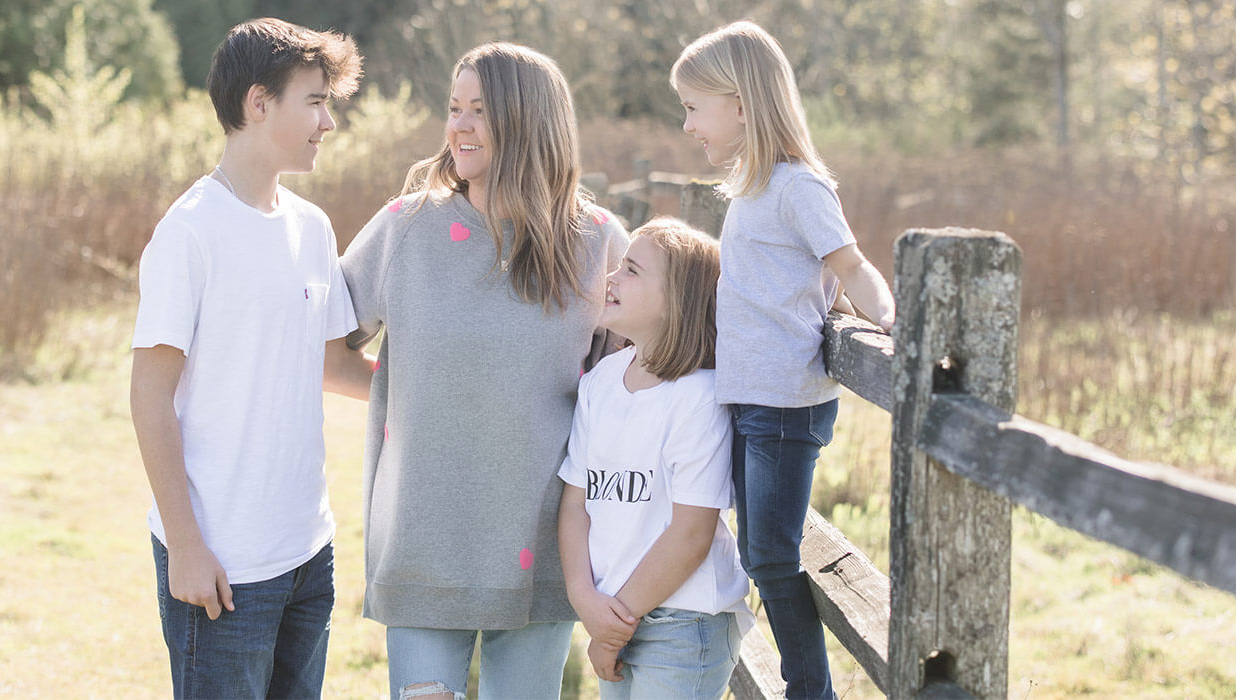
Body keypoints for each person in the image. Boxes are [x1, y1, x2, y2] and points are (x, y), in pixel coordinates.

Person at [339, 42, 630, 700]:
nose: (459, 126)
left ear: (528, 121)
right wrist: (419, 393)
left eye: (480, 110)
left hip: (543, 546)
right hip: (422, 540)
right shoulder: (406, 229)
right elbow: (326, 352)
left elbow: (634, 385)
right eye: (454, 108)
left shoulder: (598, 242)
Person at [129, 18, 373, 699]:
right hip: (221, 564)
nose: (328, 122)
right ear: (258, 103)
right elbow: (149, 396)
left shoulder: (312, 227)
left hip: (307, 552)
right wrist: (185, 545)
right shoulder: (189, 232)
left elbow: (333, 366)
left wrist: (431, 391)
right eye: (315, 102)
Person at [671, 20, 897, 700]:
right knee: (758, 551)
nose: (688, 125)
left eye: (694, 108)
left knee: (769, 555)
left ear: (741, 105)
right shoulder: (751, 188)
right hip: (750, 399)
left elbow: (849, 265)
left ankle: (809, 692)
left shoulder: (799, 186)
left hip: (783, 404)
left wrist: (892, 322)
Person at [556, 218, 754, 699]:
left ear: (675, 301)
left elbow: (690, 534)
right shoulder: (600, 382)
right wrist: (585, 599)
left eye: (631, 269)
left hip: (683, 622)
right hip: (612, 613)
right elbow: (575, 505)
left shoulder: (698, 396)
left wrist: (613, 625)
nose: (611, 276)